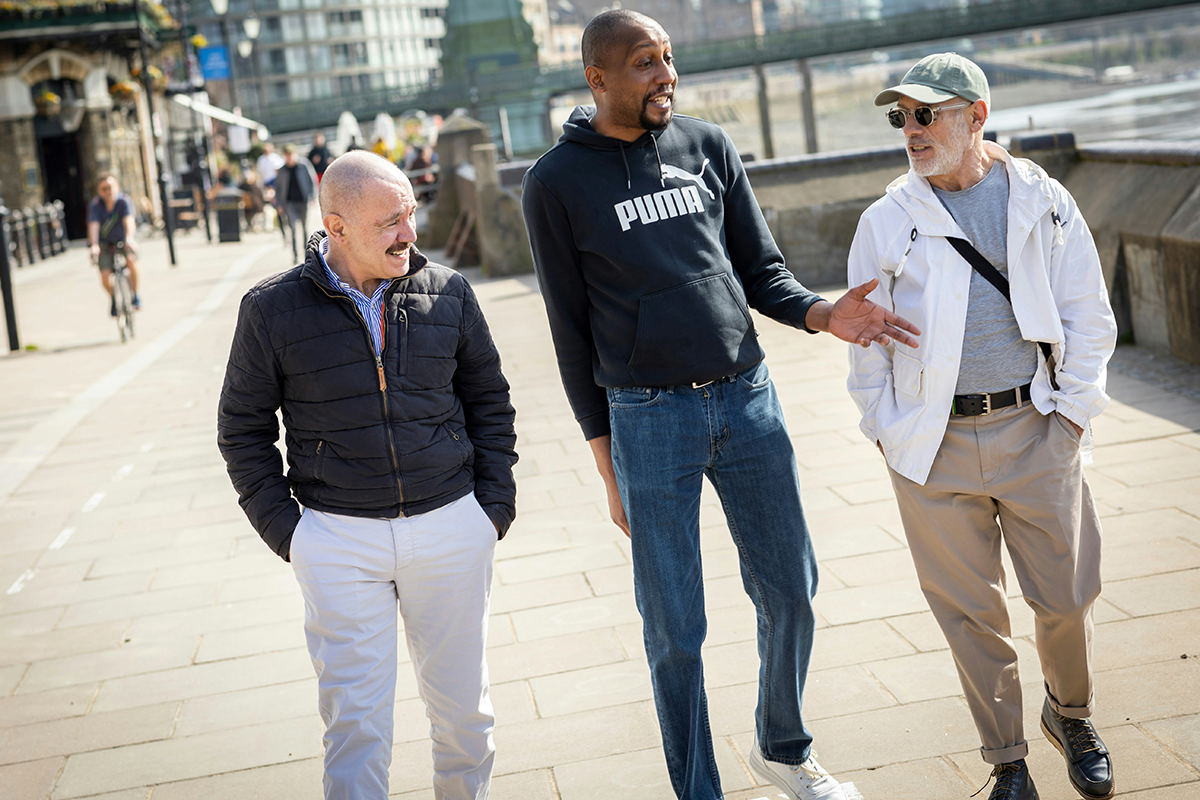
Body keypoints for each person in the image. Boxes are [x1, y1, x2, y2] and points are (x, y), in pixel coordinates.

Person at [520, 10, 919, 800]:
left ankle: (784, 746)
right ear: (598, 79)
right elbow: (570, 337)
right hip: (647, 418)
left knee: (791, 588)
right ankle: (697, 788)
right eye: (644, 63)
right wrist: (607, 467)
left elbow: (762, 272)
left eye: (668, 58)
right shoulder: (555, 183)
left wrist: (825, 314)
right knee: (675, 632)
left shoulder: (708, 147)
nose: (665, 74)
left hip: (748, 402)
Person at [846, 54, 1117, 800]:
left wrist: (1069, 418)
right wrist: (887, 432)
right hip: (931, 452)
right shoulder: (886, 220)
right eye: (900, 116)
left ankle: (1072, 713)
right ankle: (1008, 761)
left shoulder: (1043, 198)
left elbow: (1087, 314)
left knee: (1065, 597)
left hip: (1036, 427)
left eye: (926, 113)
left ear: (977, 116)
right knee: (971, 617)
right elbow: (864, 343)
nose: (911, 129)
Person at [217, 151, 517, 800]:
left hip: (450, 526)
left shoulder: (449, 292)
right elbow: (242, 430)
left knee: (467, 718)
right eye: (389, 221)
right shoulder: (271, 310)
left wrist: (489, 511)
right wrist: (293, 535)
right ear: (337, 225)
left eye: (410, 213)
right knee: (355, 731)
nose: (409, 232)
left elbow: (490, 402)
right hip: (339, 540)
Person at [87, 174, 140, 315]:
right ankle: (113, 298)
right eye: (104, 189)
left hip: (123, 240)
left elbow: (129, 221)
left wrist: (130, 238)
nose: (108, 192)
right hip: (104, 243)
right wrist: (94, 245)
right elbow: (94, 226)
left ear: (117, 187)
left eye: (110, 187)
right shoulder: (96, 205)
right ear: (99, 191)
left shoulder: (124, 201)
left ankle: (135, 295)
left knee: (131, 261)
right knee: (104, 276)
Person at [275, 144, 319, 260]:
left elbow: (312, 180)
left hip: (303, 201)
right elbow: (278, 188)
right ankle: (295, 254)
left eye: (290, 155)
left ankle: (307, 253)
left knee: (304, 227)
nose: (289, 158)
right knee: (293, 228)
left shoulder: (303, 165)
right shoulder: (282, 170)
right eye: (286, 155)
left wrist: (313, 196)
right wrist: (279, 204)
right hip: (289, 203)